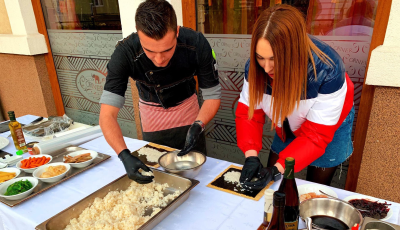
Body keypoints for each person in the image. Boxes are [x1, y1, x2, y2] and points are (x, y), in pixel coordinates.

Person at [99, 0, 221, 184]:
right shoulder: (124, 53)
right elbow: (107, 115)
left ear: (177, 31)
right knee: (157, 179)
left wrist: (199, 124)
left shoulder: (196, 44)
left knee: (197, 181)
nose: (159, 59)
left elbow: (212, 96)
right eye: (149, 51)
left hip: (190, 114)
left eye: (167, 50)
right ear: (138, 34)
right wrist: (124, 155)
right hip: (152, 117)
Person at [235, 4, 355, 189]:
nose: (266, 68)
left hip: (327, 126)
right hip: (287, 120)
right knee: (274, 183)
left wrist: (278, 168)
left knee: (314, 187)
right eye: (260, 57)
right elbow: (249, 114)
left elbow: (316, 136)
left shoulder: (328, 70)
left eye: (274, 59)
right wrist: (251, 155)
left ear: (294, 51)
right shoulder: (255, 68)